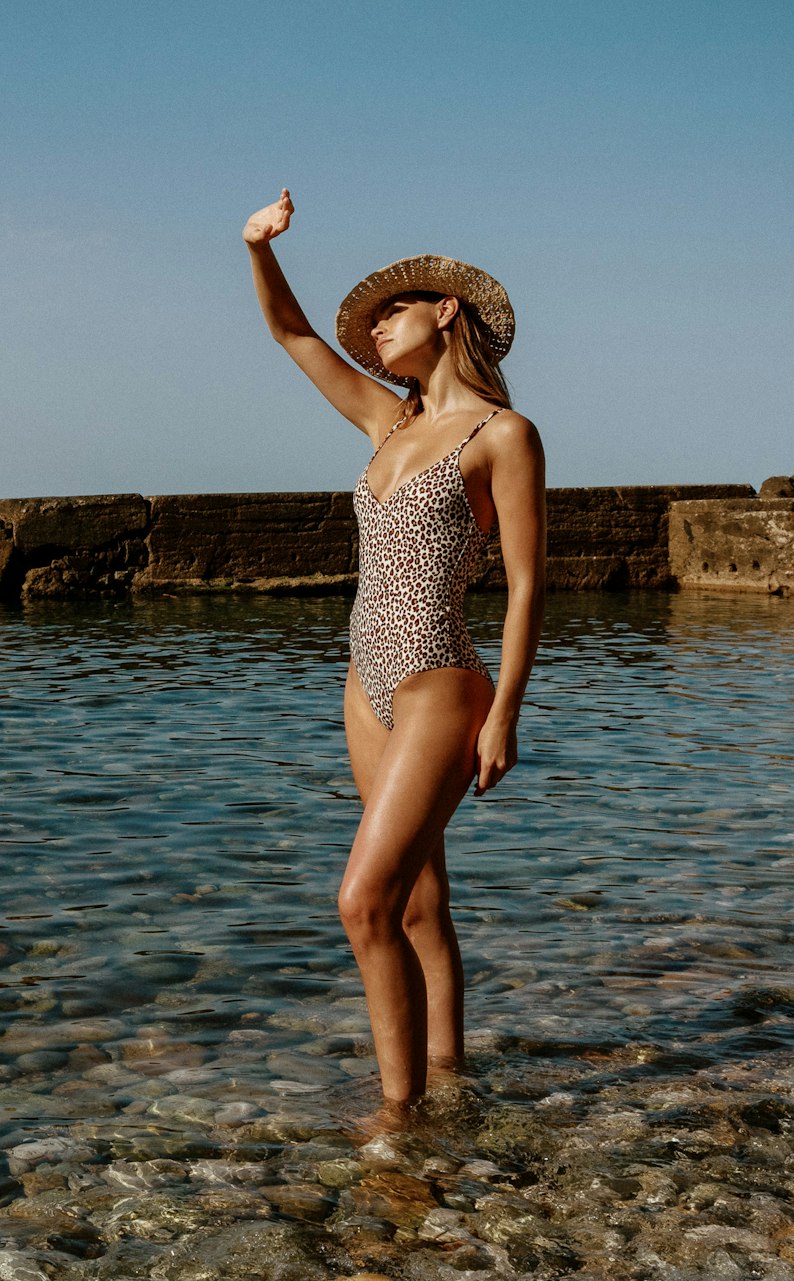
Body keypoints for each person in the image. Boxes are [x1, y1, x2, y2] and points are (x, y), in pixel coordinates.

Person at [243, 188, 547, 1125]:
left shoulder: (503, 436)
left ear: (445, 312)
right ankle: (450, 1080)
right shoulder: (387, 422)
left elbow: (529, 585)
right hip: (361, 684)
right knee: (417, 905)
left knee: (361, 901)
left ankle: (398, 1117)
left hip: (436, 683)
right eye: (369, 321)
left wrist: (505, 713)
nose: (373, 329)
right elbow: (295, 337)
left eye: (392, 313)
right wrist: (257, 248)